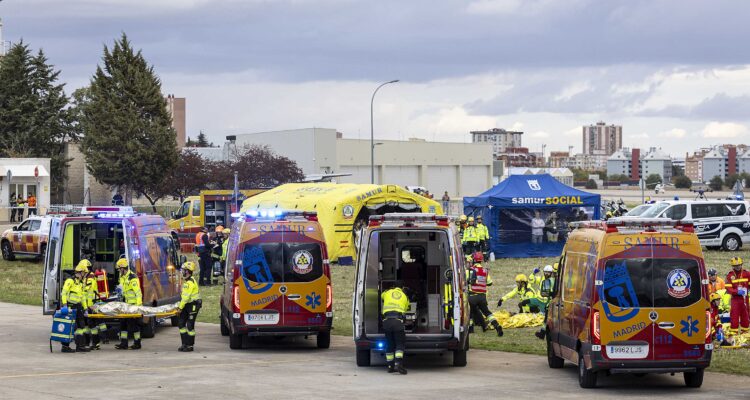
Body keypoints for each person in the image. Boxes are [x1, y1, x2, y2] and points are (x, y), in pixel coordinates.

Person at [467, 252, 503, 337]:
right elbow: (490, 283)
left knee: (470, 312)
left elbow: (466, 281)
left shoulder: (471, 270)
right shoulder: (485, 271)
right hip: (482, 296)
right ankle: (496, 325)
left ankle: (471, 328)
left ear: (474, 260)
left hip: (472, 295)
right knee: (487, 312)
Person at [59, 261, 91, 353]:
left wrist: (85, 308)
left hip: (78, 307)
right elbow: (64, 293)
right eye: (84, 273)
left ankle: (80, 346)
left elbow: (83, 297)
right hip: (70, 307)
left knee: (80, 327)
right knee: (69, 327)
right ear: (80, 272)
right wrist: (65, 305)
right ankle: (65, 347)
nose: (84, 275)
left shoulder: (80, 283)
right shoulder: (70, 281)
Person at [381, 281, 409, 375]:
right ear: (402, 288)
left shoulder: (387, 293)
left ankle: (390, 366)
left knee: (389, 344)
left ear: (393, 286)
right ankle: (398, 364)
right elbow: (405, 310)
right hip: (397, 322)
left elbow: (382, 296)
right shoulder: (405, 296)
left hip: (386, 322)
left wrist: (388, 290)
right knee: (399, 344)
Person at [115, 257, 143, 350]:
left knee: (134, 325)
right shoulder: (122, 277)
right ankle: (124, 343)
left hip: (133, 306)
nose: (119, 271)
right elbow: (123, 290)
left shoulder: (132, 278)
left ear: (123, 268)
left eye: (119, 269)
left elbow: (138, 293)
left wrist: (138, 307)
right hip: (125, 305)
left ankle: (137, 343)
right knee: (123, 323)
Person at [177, 261, 202, 352]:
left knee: (190, 325)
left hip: (193, 305)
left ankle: (190, 345)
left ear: (187, 271)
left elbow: (185, 298)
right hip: (187, 305)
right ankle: (184, 343)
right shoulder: (187, 281)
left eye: (183, 270)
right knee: (181, 323)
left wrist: (180, 308)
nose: (182, 271)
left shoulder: (190, 283)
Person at [83, 261, 107, 350]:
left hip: (92, 304)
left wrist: (87, 306)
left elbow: (87, 292)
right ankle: (97, 342)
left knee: (92, 323)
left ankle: (96, 342)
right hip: (94, 303)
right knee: (94, 323)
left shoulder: (90, 278)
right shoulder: (91, 276)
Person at [725, 257, 750, 335]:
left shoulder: (747, 274)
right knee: (734, 316)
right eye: (735, 266)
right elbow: (728, 288)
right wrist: (737, 291)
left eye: (739, 265)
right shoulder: (730, 275)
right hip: (735, 299)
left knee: (745, 315)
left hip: (745, 298)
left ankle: (745, 333)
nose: (737, 267)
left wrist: (748, 290)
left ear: (741, 264)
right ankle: (734, 333)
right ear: (732, 266)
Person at [534, 265, 557, 339]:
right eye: (545, 272)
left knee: (547, 319)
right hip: (556, 303)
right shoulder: (556, 280)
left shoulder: (548, 281)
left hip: (551, 304)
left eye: (548, 272)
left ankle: (543, 333)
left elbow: (545, 293)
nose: (546, 274)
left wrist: (550, 294)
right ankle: (543, 333)